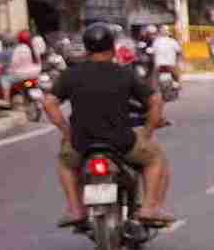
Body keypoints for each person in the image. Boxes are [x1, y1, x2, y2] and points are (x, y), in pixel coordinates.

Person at [43, 21, 171, 228]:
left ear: (86, 49)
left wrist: (66, 131)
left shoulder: (71, 75)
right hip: (121, 142)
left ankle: (75, 209)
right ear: (113, 48)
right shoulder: (125, 73)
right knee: (155, 158)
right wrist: (149, 129)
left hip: (81, 143)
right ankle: (149, 208)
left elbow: (49, 103)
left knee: (65, 163)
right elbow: (155, 100)